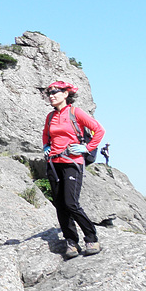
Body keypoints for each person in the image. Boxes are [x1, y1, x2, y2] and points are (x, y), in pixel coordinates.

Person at [42, 80, 105, 259]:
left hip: (72, 162)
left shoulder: (75, 112)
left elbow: (99, 130)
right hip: (54, 163)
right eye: (49, 93)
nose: (52, 95)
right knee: (60, 205)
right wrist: (46, 146)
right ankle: (71, 241)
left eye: (56, 92)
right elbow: (46, 134)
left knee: (71, 203)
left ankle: (91, 238)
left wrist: (87, 148)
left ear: (66, 94)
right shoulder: (50, 116)